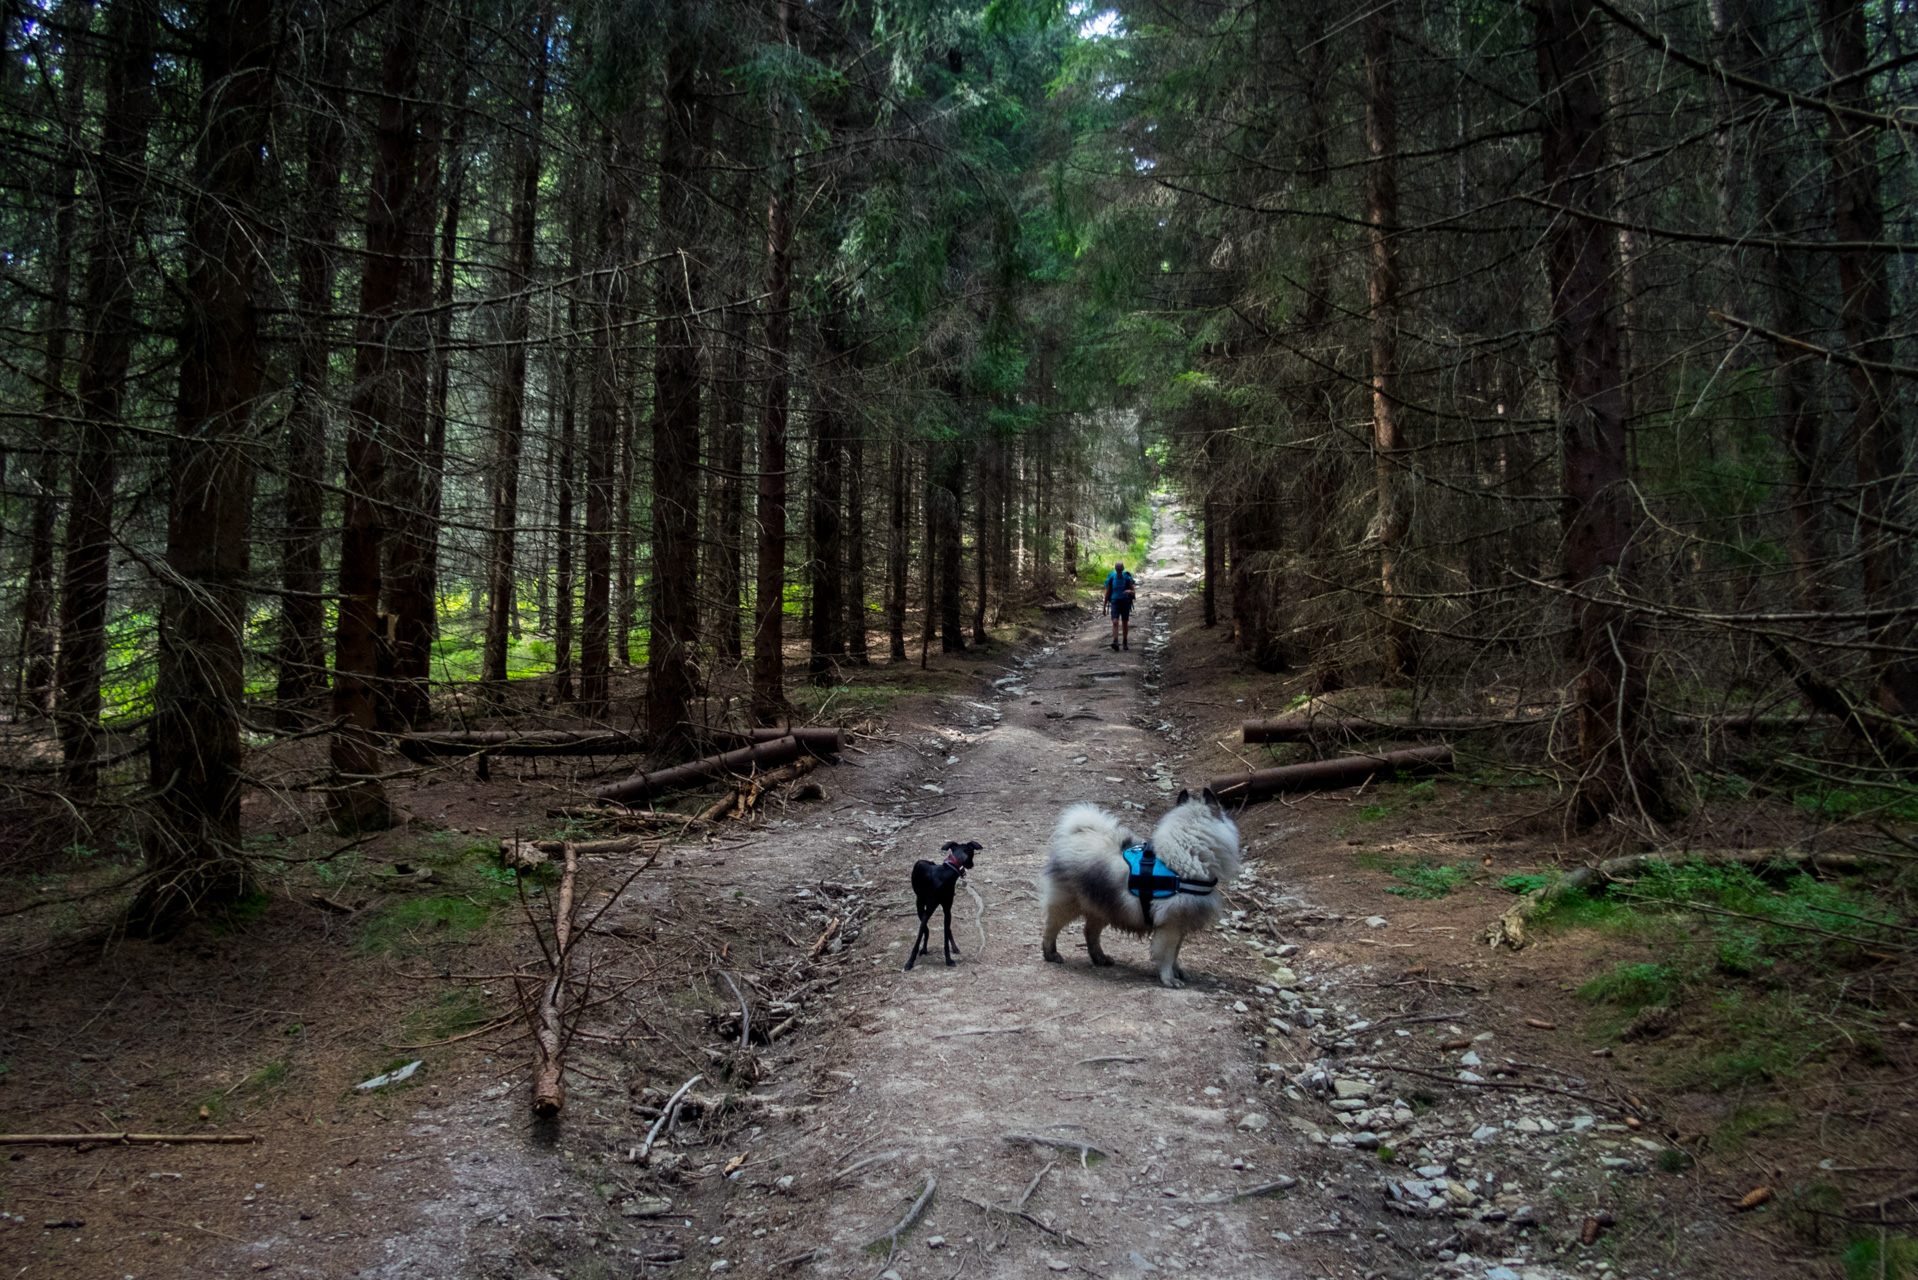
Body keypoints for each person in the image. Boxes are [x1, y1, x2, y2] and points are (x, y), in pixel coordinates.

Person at [1104, 561, 1136, 651]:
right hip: (1114, 602)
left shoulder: (1127, 578)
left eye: (1120, 569)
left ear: (1122, 569)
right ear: (1115, 569)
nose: (1118, 571)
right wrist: (1104, 607)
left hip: (1125, 601)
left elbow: (1133, 592)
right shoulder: (1112, 579)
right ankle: (1115, 641)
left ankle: (1125, 641)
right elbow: (1107, 593)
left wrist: (1129, 591)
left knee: (1125, 622)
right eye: (1117, 569)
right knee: (1115, 622)